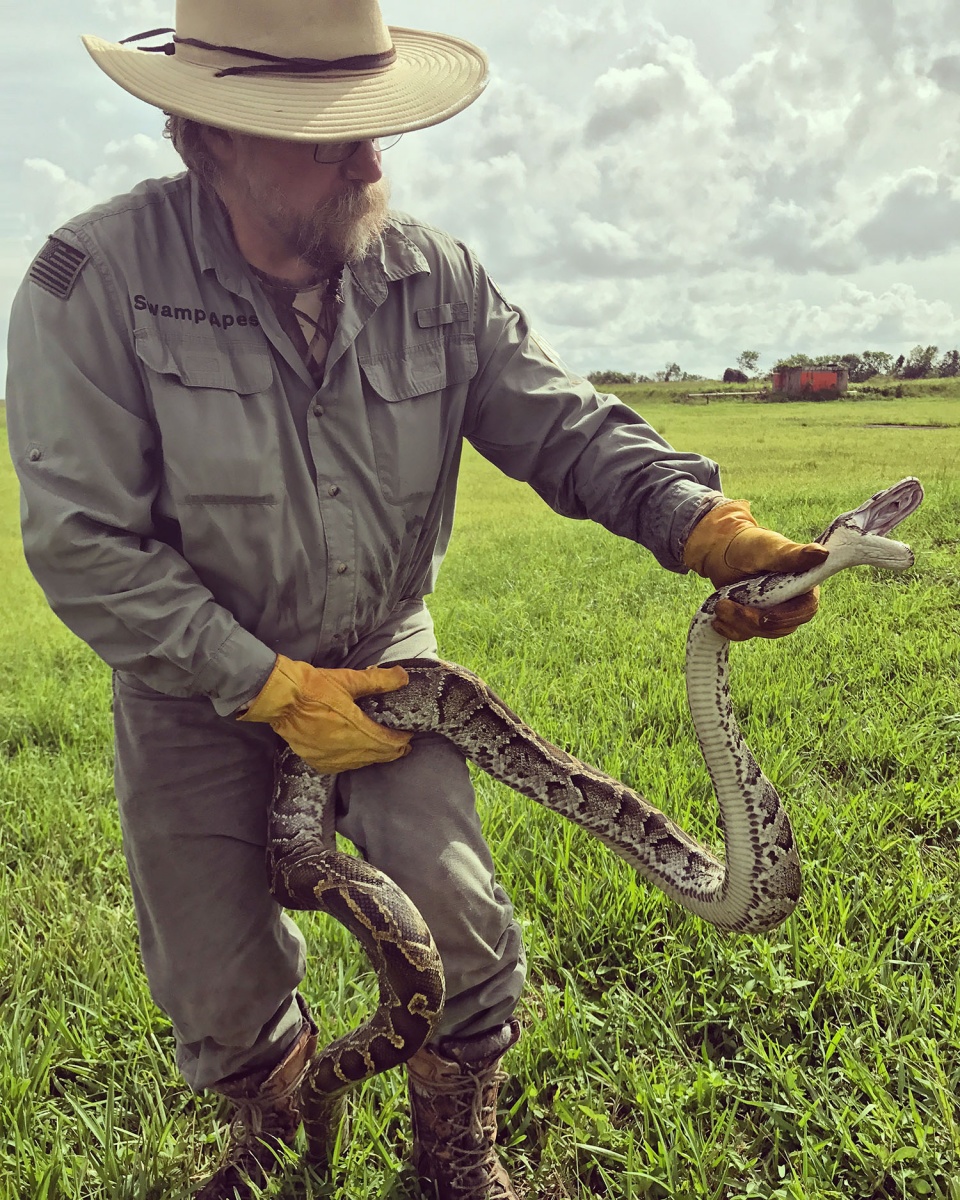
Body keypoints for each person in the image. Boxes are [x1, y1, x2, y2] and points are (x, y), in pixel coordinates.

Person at [4, 2, 828, 1197]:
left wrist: (704, 523)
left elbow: (564, 425)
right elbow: (83, 545)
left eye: (375, 125)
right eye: (325, 131)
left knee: (461, 918)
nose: (370, 157)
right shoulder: (90, 285)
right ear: (204, 137)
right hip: (197, 690)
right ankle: (282, 1135)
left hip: (390, 664)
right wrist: (266, 684)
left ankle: (454, 1156)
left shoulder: (434, 279)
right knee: (213, 983)